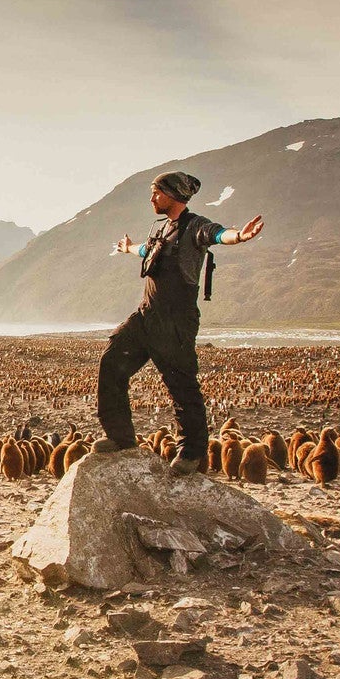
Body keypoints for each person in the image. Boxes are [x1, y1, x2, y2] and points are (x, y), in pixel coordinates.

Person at [93, 170, 264, 472]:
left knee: (181, 386)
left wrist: (239, 236)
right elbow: (148, 251)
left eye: (156, 192)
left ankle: (192, 454)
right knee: (111, 363)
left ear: (173, 195)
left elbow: (218, 234)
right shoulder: (161, 228)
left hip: (176, 321)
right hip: (147, 314)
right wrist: (128, 247)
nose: (152, 198)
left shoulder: (195, 227)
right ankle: (120, 437)